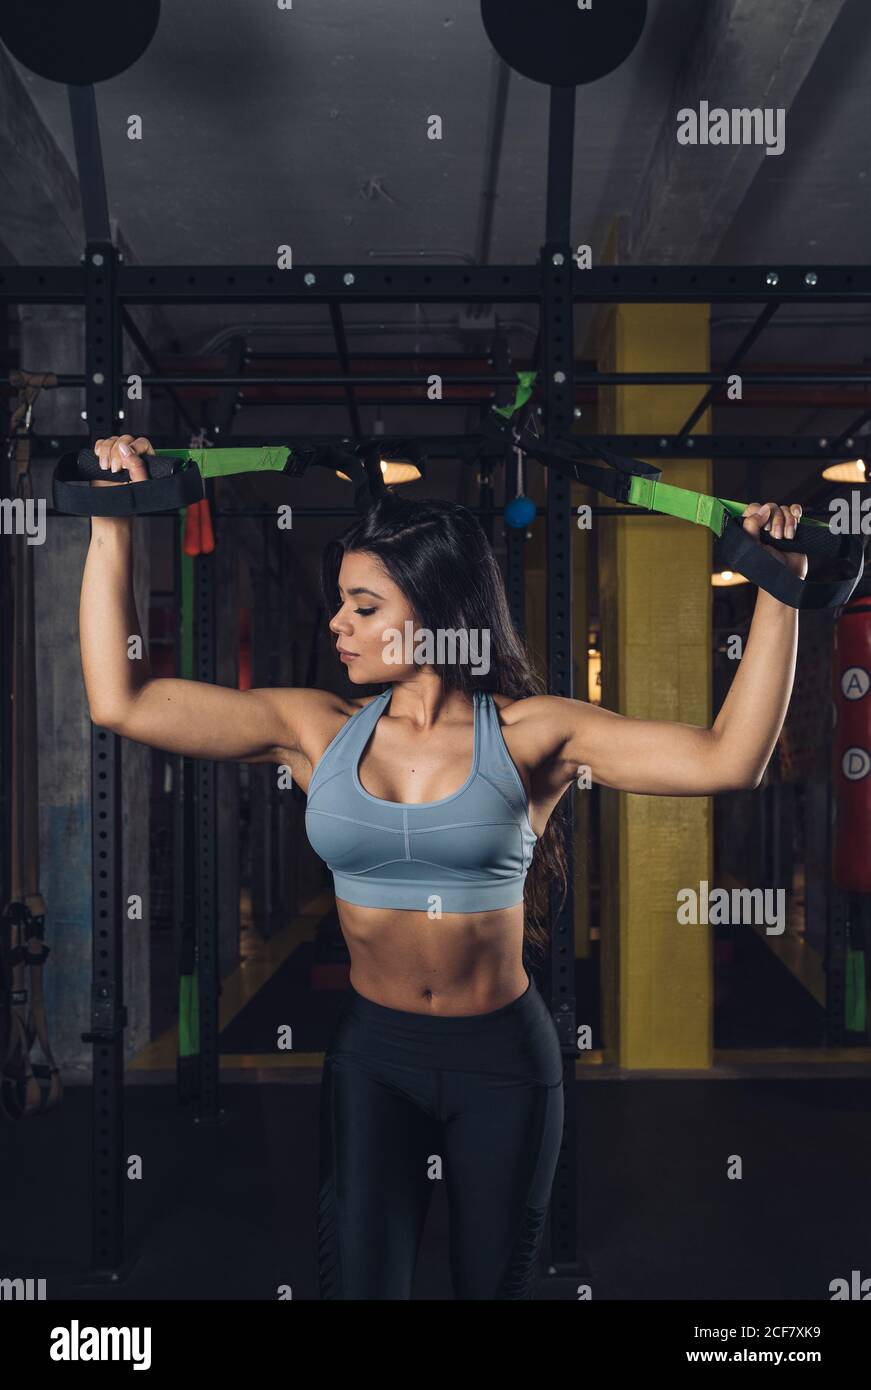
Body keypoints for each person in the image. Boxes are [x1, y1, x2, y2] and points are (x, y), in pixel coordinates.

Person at [80, 434, 805, 1299]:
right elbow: (118, 700)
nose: (335, 625)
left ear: (432, 609)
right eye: (338, 605)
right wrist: (112, 521)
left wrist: (780, 588)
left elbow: (729, 760)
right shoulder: (315, 727)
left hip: (502, 1057)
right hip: (372, 1057)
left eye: (361, 607)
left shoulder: (537, 734)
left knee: (486, 1288)